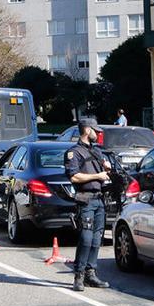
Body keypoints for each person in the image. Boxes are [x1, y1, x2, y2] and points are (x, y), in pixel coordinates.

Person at [64, 118, 112, 292]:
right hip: (85, 199)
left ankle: (91, 273)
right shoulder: (73, 152)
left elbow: (105, 171)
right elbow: (74, 176)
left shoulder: (97, 152)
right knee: (86, 238)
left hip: (100, 199)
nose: (97, 133)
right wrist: (97, 176)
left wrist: (107, 168)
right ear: (86, 130)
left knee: (97, 238)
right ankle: (79, 275)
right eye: (95, 130)